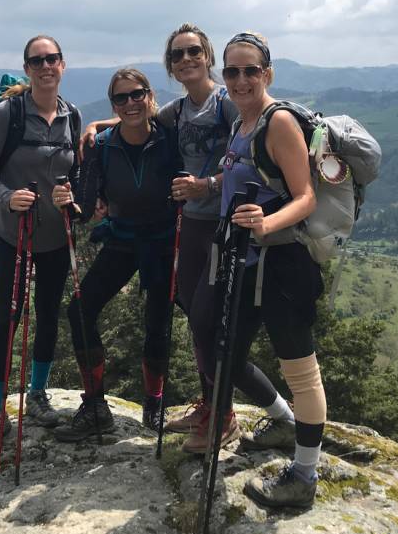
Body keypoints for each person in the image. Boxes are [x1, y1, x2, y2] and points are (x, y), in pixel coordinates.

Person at [81, 23, 292, 448]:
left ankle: (228, 413)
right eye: (177, 55)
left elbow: (250, 153)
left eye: (193, 51)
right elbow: (134, 116)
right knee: (199, 320)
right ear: (171, 67)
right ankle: (211, 405)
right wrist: (97, 127)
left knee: (217, 322)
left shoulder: (229, 103)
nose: (186, 59)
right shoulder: (175, 112)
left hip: (228, 222)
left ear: (208, 56)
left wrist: (208, 186)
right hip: (193, 224)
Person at [189, 31, 328, 509]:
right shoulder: (241, 125)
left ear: (267, 73)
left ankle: (305, 475)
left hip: (283, 262)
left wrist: (266, 222)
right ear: (222, 77)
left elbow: (306, 196)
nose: (242, 78)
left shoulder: (278, 123)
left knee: (299, 366)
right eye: (232, 71)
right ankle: (282, 420)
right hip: (241, 262)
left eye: (251, 70)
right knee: (220, 352)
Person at [51, 67, 181, 442]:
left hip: (162, 242)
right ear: (114, 104)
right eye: (121, 98)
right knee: (80, 309)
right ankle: (95, 405)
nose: (130, 103)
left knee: (157, 323)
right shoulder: (102, 146)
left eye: (136, 94)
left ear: (149, 96)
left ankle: (153, 404)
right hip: (122, 240)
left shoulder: (170, 139)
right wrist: (68, 203)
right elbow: (87, 205)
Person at [0, 35, 80, 454]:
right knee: (7, 320)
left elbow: (78, 174)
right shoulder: (8, 113)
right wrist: (6, 197)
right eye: (37, 60)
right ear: (27, 67)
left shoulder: (71, 115)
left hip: (55, 236)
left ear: (63, 65)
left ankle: (36, 394)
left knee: (49, 315)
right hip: (11, 235)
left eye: (52, 59)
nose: (45, 66)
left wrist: (70, 196)